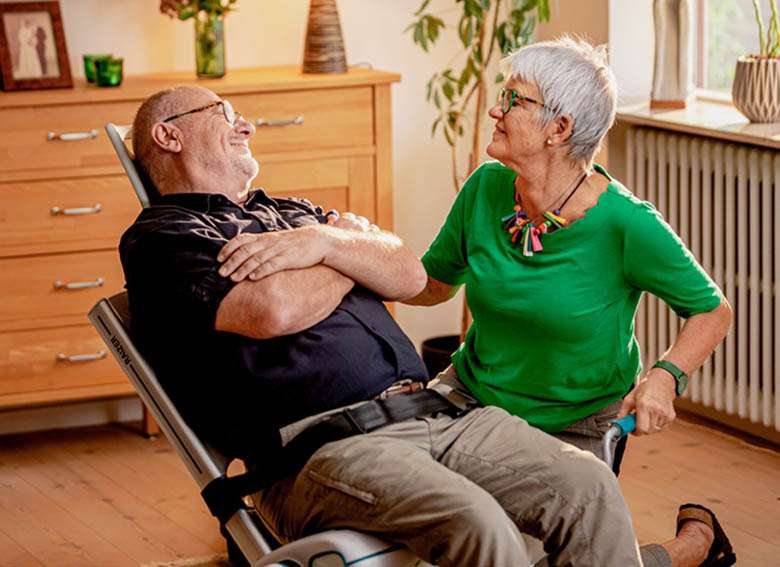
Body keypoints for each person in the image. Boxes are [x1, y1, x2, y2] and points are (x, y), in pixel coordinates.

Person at [120, 85, 653, 566]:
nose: (246, 126)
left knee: (587, 485)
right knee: (480, 523)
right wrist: (344, 249)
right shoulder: (165, 238)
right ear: (169, 135)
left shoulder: (290, 211)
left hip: (436, 413)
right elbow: (272, 310)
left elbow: (406, 272)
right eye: (224, 113)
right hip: (321, 450)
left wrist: (322, 244)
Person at [405, 37, 735, 567]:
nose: (496, 108)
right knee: (419, 526)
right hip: (469, 400)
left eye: (515, 100)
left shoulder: (626, 223)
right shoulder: (487, 189)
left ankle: (683, 552)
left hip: (573, 424)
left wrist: (665, 375)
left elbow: (711, 309)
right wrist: (348, 261)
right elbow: (434, 281)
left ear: (559, 129)